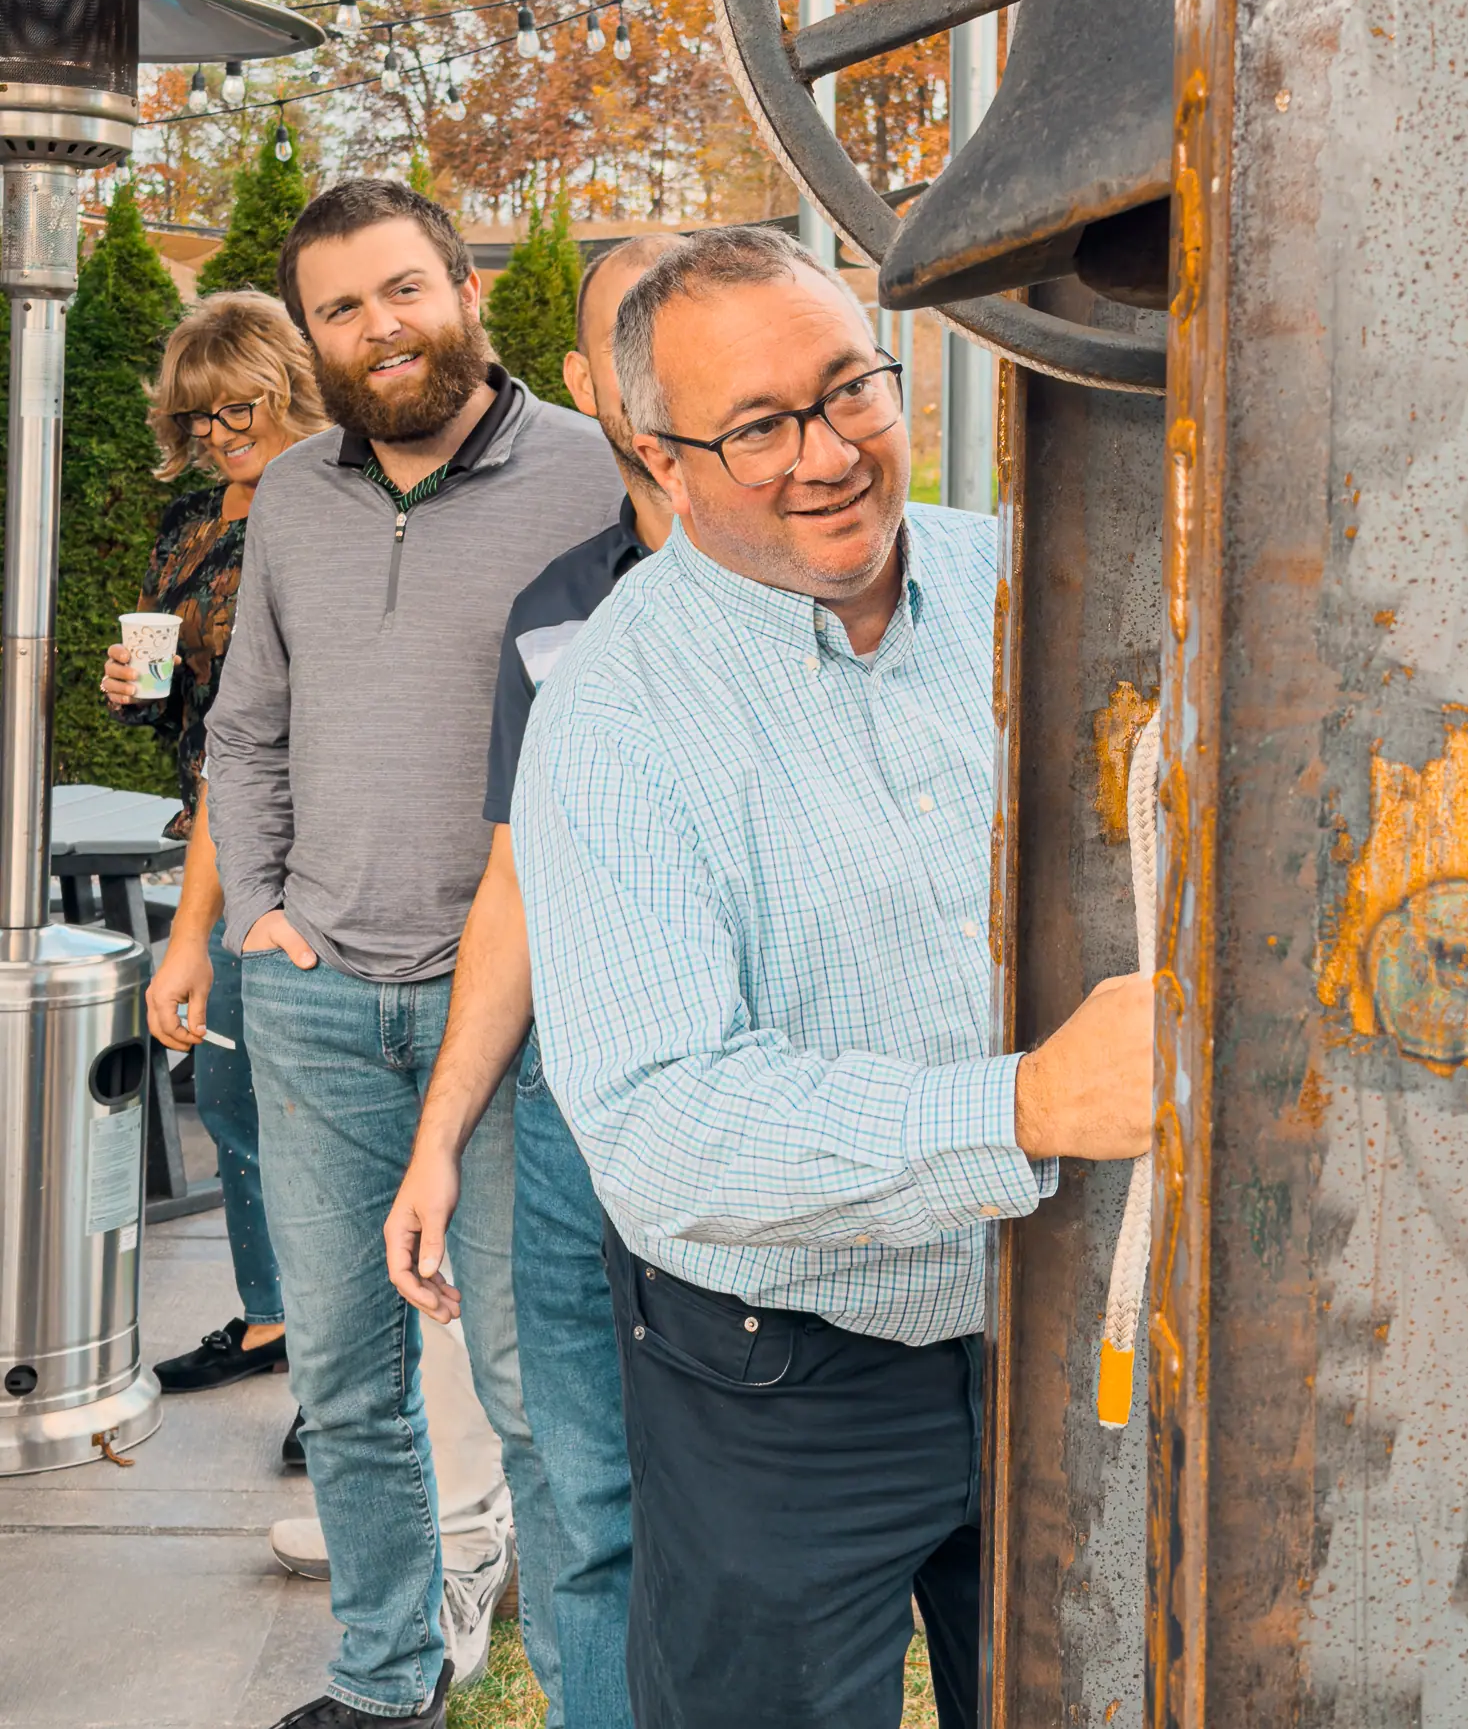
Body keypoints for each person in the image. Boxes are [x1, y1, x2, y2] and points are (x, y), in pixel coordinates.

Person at [511, 226, 1154, 1729]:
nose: (825, 451)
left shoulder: (1029, 586)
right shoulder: (610, 714)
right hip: (785, 1387)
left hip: (1066, 1326)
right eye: (756, 426)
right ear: (661, 457)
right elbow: (663, 1126)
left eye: (849, 386)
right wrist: (1028, 1104)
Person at [204, 179, 626, 1729]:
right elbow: (245, 724)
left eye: (403, 290)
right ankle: (385, 1682)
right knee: (343, 1382)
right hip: (317, 999)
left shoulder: (596, 479)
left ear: (464, 287)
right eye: (341, 306)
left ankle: (598, 1700)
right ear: (308, 335)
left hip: (521, 1016)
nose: (379, 327)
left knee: (540, 1400)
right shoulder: (296, 502)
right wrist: (260, 908)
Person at [385, 232, 673, 1728]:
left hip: (774, 1107)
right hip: (571, 1110)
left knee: (772, 1505)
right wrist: (439, 1139)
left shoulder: (855, 564)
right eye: (638, 332)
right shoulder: (561, 607)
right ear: (586, 384)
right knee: (575, 1468)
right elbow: (516, 877)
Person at [99, 292, 324, 1450]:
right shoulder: (190, 524)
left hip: (317, 843)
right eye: (199, 414)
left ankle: (341, 1377)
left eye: (240, 403)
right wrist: (136, 693)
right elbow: (196, 712)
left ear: (287, 379)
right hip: (214, 841)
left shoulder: (339, 494)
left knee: (313, 1111)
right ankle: (275, 1319)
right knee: (234, 1099)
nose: (223, 430)